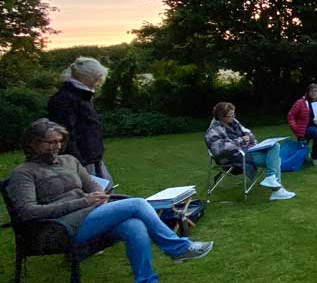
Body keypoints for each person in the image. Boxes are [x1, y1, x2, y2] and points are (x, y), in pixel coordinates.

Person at [6, 119, 214, 283]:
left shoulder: (70, 161)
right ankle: (178, 249)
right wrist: (84, 202)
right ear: (32, 143)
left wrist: (99, 195)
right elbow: (28, 212)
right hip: (59, 228)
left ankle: (147, 280)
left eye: (59, 141)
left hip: (88, 216)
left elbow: (93, 186)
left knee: (134, 226)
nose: (56, 146)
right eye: (50, 142)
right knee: (137, 204)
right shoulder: (23, 173)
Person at [205, 102, 295, 201]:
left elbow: (247, 131)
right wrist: (240, 140)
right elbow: (219, 150)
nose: (233, 117)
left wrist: (249, 137)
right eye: (230, 116)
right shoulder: (212, 131)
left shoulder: (234, 122)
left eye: (233, 114)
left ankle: (272, 180)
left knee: (275, 146)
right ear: (221, 117)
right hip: (234, 158)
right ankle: (276, 187)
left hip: (248, 150)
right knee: (275, 158)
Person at [48, 57, 113, 182]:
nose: (98, 81)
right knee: (96, 193)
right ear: (82, 76)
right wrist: (78, 161)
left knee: (105, 191)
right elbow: (66, 132)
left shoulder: (83, 96)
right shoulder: (65, 99)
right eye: (95, 77)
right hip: (82, 159)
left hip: (92, 157)